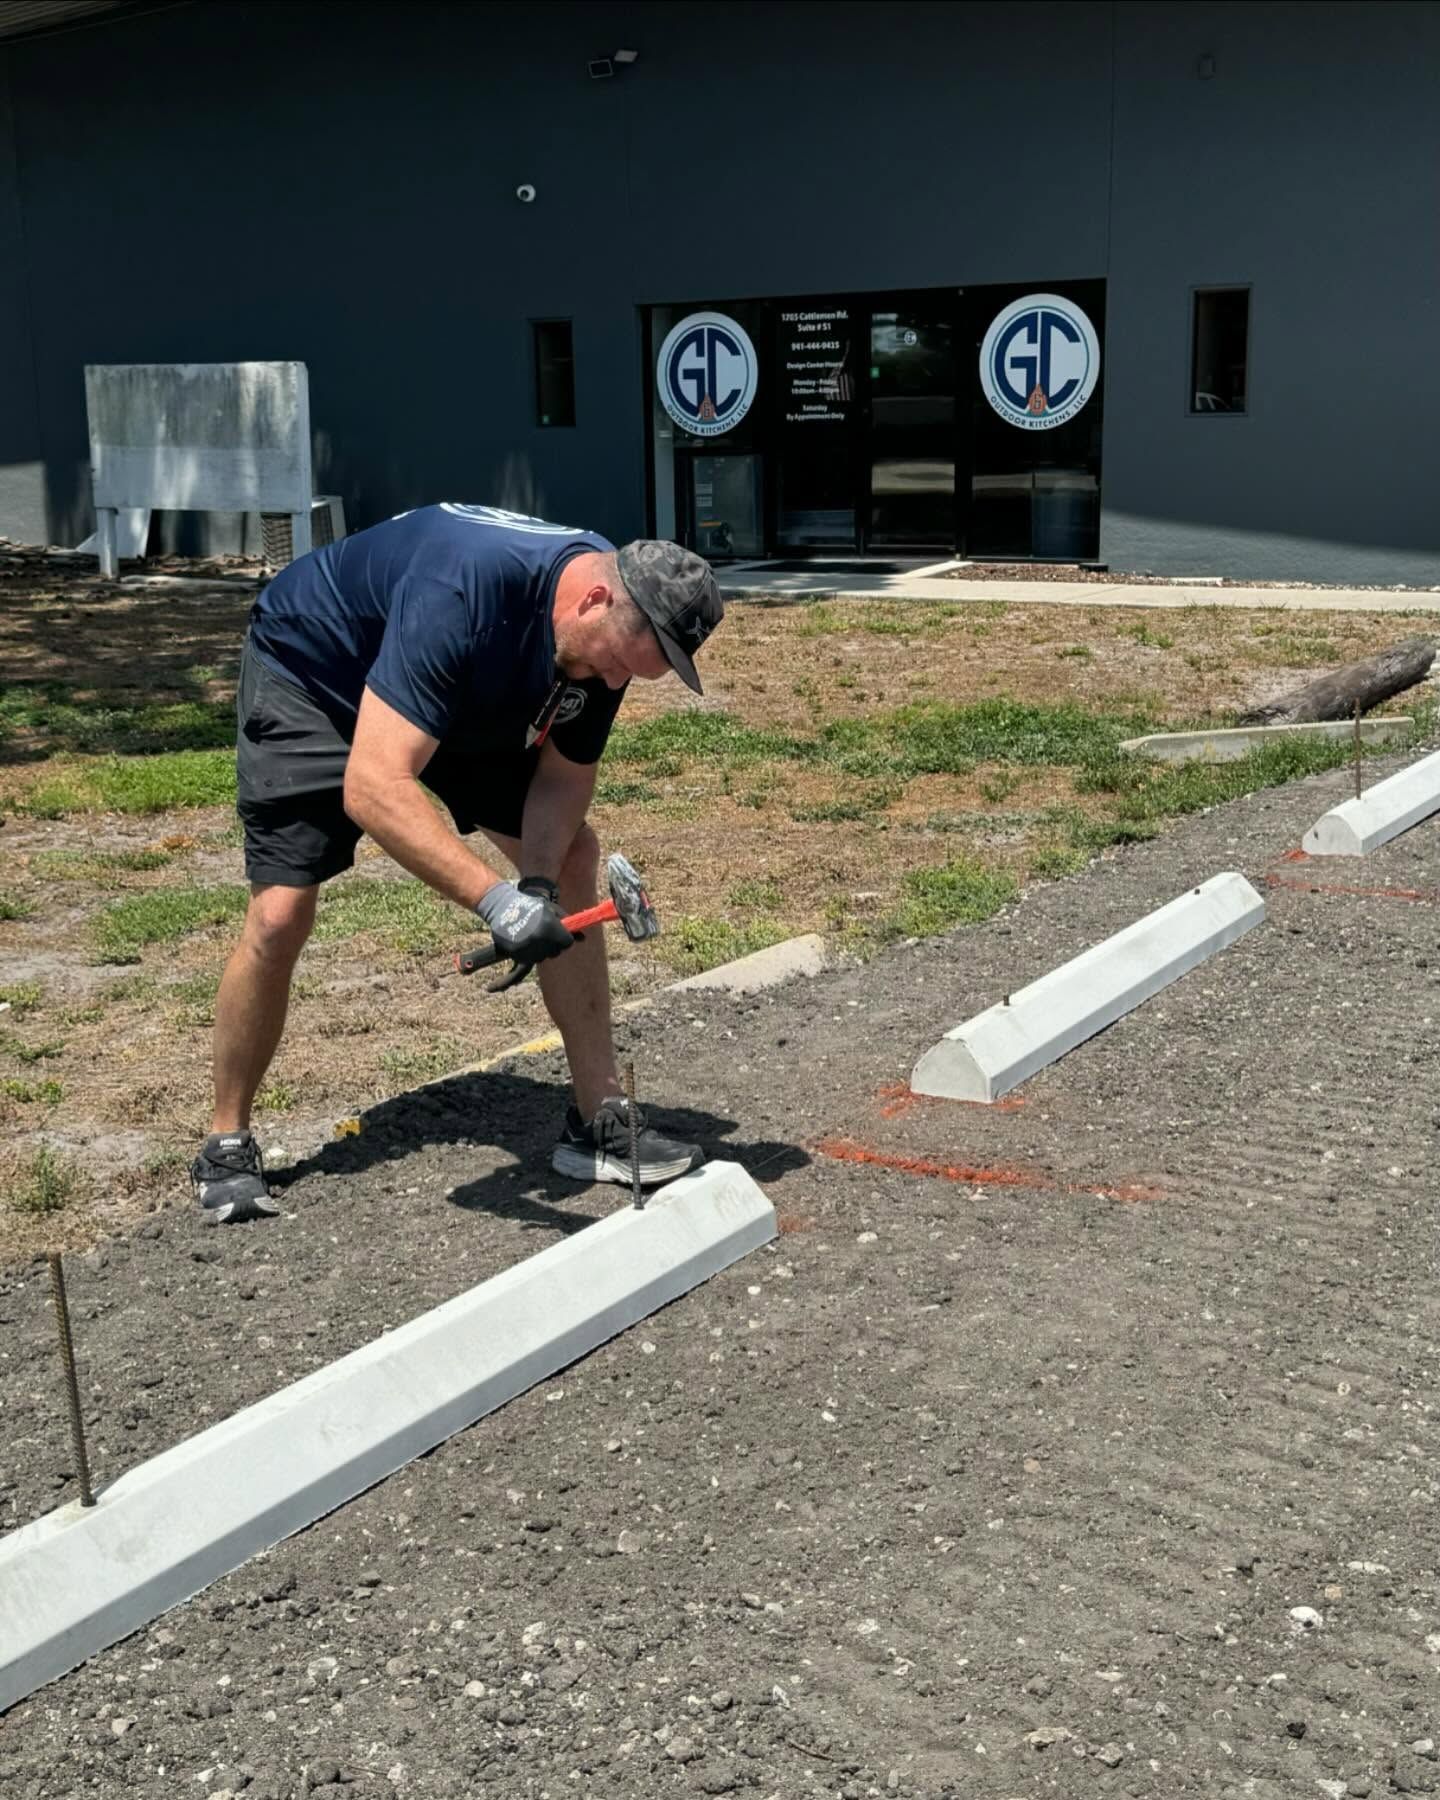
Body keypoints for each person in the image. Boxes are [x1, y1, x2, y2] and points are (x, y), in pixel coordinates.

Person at [189, 504, 724, 1225]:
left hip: (460, 682)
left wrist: (536, 888)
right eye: (619, 660)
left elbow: (564, 777)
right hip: (318, 673)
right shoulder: (463, 593)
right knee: (282, 912)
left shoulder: (612, 627)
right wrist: (500, 905)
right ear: (594, 598)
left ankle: (597, 1119)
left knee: (571, 857)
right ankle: (226, 1140)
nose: (615, 678)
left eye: (634, 673)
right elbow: (373, 786)